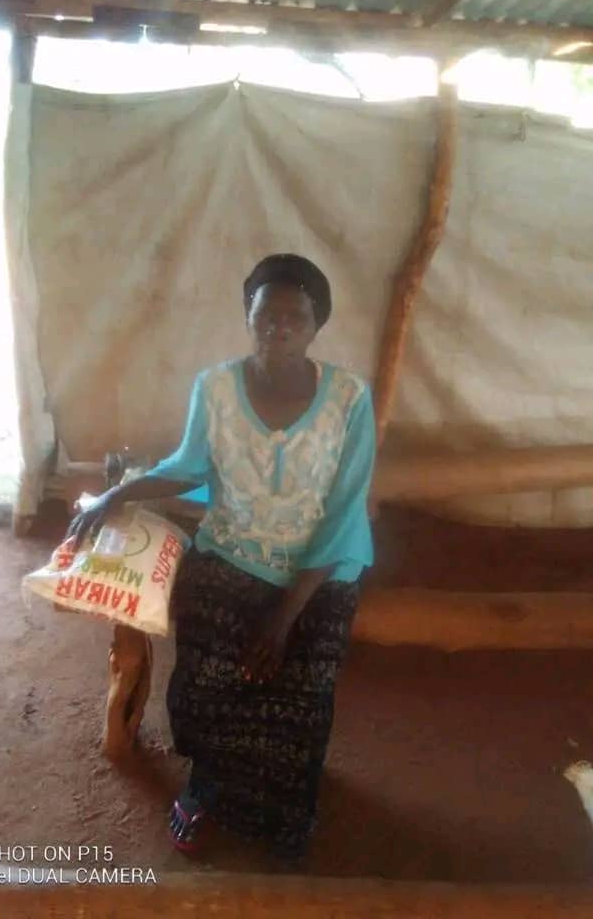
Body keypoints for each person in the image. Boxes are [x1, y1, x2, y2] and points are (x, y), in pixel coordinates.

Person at [68, 253, 376, 861]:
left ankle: (281, 802)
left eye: (295, 317)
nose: (279, 327)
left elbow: (345, 511)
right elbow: (187, 468)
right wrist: (114, 494)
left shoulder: (349, 398)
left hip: (320, 569)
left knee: (304, 686)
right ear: (247, 316)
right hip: (233, 553)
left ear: (317, 325)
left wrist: (282, 619)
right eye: (266, 314)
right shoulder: (214, 388)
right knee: (206, 676)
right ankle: (207, 781)